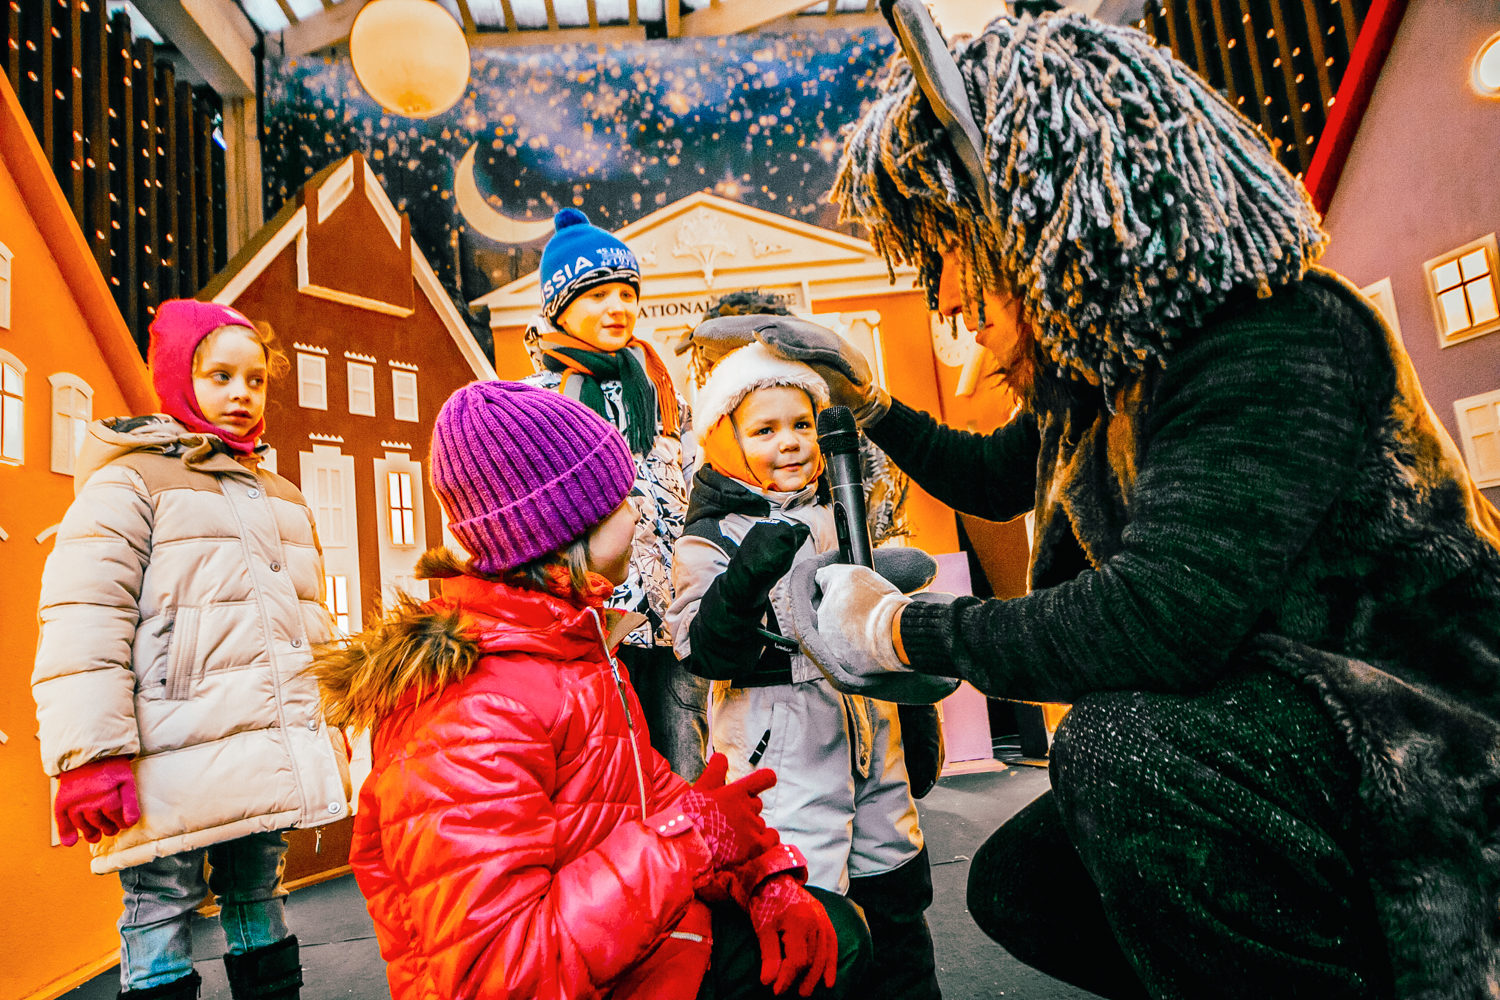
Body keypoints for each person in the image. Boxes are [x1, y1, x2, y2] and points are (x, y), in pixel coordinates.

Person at [760, 9, 1500, 1000]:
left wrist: (902, 628)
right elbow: (992, 474)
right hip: (1294, 726)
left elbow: (1160, 622)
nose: (947, 299)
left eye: (956, 250)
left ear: (1040, 218)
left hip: (1426, 749)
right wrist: (872, 402)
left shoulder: (1280, 338)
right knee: (1027, 880)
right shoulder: (1103, 379)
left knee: (1119, 751)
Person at [314, 380, 870, 1000]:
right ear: (561, 533)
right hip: (597, 978)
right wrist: (692, 838)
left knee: (837, 932)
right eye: (617, 500)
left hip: (645, 951)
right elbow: (502, 973)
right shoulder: (472, 714)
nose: (637, 512)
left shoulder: (572, 644)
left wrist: (759, 876)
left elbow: (647, 797)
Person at [32, 299, 348, 1000]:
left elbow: (308, 625)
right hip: (164, 753)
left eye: (255, 380)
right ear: (180, 379)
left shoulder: (282, 498)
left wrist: (328, 727)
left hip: (259, 747)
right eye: (220, 376)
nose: (241, 393)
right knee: (158, 906)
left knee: (259, 892)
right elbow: (84, 621)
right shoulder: (130, 483)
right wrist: (90, 756)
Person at [667, 342, 942, 1000]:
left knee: (893, 882)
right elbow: (702, 649)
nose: (789, 443)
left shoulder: (840, 515)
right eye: (765, 429)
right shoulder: (709, 538)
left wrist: (911, 700)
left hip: (865, 730)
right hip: (778, 744)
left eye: (801, 424)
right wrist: (743, 580)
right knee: (810, 909)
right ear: (724, 441)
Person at [523, 208, 709, 778]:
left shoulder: (657, 384)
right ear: (558, 306)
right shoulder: (537, 399)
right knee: (616, 775)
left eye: (627, 292)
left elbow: (688, 473)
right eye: (597, 295)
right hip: (601, 619)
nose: (618, 307)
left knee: (687, 768)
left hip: (675, 615)